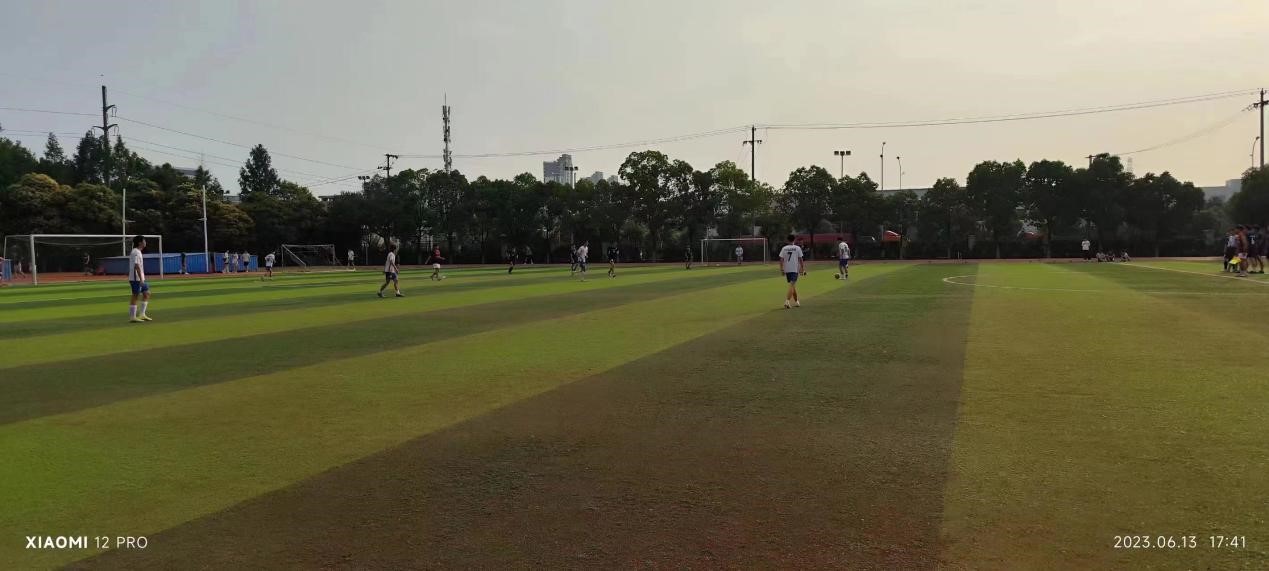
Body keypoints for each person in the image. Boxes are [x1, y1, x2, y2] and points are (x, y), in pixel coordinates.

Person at [127, 235, 153, 323]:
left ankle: (142, 314)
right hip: (136, 278)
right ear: (140, 242)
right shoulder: (136, 252)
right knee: (135, 295)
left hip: (140, 278)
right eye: (144, 241)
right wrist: (141, 280)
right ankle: (132, 317)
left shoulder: (138, 251)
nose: (145, 242)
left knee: (147, 293)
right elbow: (136, 266)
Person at [778, 234, 805, 309]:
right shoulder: (797, 248)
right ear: (794, 240)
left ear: (787, 240)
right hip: (794, 269)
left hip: (787, 269)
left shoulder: (784, 248)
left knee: (792, 285)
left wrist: (782, 269)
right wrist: (802, 268)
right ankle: (787, 302)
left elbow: (781, 259)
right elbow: (801, 259)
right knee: (792, 285)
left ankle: (796, 302)